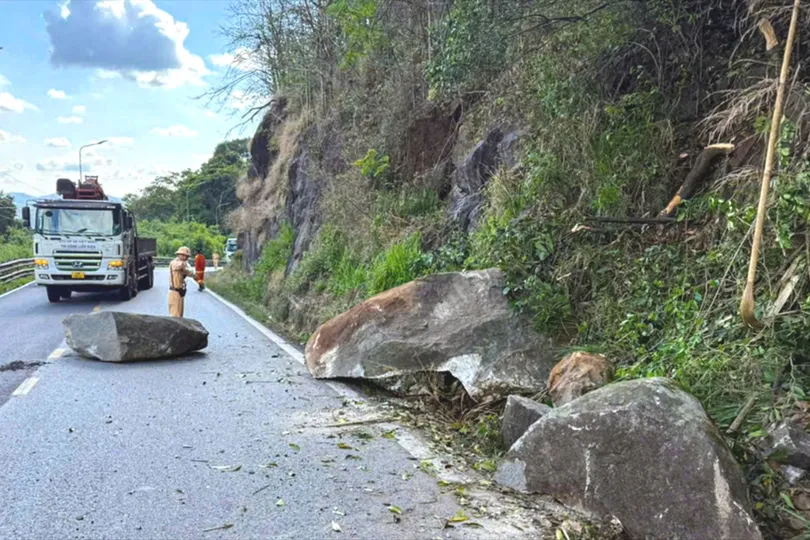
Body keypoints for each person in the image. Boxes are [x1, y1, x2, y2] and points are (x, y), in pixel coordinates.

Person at [169, 246, 194, 317]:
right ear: (178, 254)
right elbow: (178, 266)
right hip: (174, 292)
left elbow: (191, 273)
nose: (185, 257)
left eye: (186, 256)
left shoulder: (184, 266)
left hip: (180, 292)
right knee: (175, 316)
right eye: (183, 255)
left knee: (180, 316)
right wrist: (185, 264)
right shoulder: (174, 263)